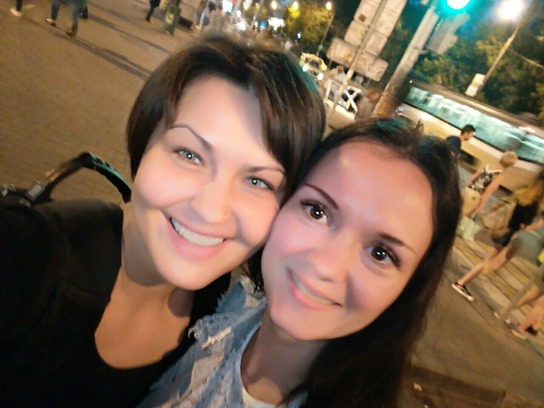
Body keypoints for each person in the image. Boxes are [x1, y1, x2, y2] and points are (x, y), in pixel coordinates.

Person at [0, 36, 325, 408]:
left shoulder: (218, 308)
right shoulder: (27, 256)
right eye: (189, 154)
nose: (211, 211)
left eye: (257, 181)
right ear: (144, 145)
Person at [139, 118, 461, 408]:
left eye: (380, 254)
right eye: (316, 211)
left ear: (410, 287)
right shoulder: (226, 304)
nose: (325, 265)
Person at [452, 171, 544, 302]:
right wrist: (538, 225)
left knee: (492, 263)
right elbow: (524, 226)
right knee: (489, 264)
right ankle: (461, 283)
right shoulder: (533, 205)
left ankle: (462, 282)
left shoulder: (521, 194)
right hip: (507, 234)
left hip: (502, 230)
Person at [461, 151, 518, 216]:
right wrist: (480, 207)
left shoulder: (487, 166)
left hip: (467, 190)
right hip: (475, 197)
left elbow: (473, 178)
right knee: (463, 215)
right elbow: (487, 192)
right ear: (510, 165)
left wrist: (466, 189)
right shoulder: (499, 175)